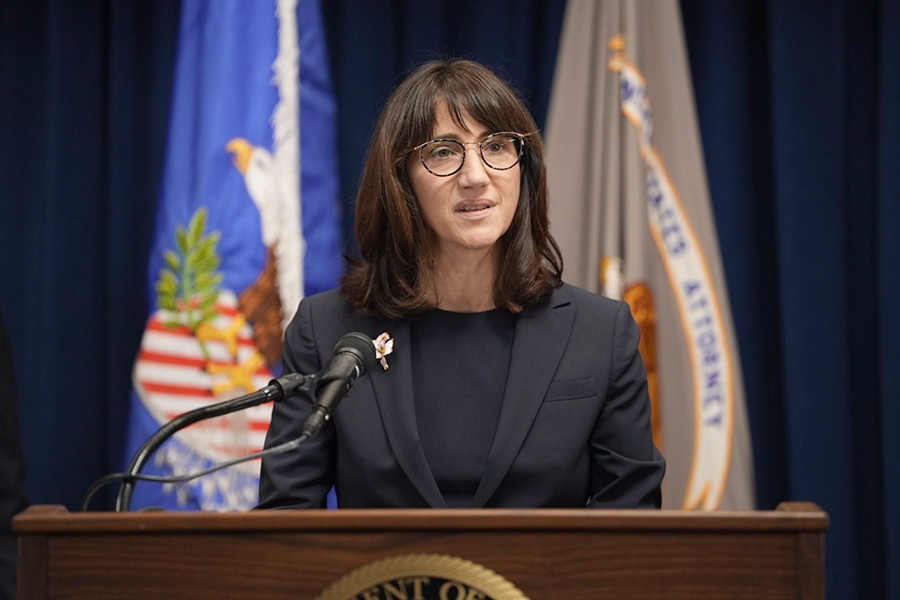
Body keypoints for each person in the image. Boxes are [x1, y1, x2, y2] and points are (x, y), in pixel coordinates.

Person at [258, 59, 664, 509]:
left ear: (522, 168)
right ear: (401, 180)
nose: (475, 176)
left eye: (497, 146)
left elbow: (632, 526)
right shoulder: (327, 330)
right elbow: (285, 519)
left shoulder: (600, 335)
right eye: (443, 152)